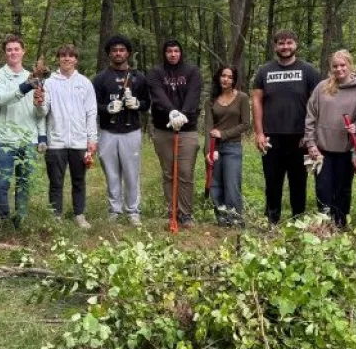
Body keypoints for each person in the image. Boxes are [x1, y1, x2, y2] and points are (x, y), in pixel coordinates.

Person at [252, 30, 322, 225]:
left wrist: (311, 135)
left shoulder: (308, 71)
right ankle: (272, 221)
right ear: (275, 46)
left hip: (299, 137)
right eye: (281, 43)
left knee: (298, 182)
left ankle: (297, 221)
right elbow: (256, 101)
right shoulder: (264, 71)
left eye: (289, 43)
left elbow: (317, 103)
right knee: (272, 181)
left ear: (296, 44)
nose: (285, 47)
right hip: (271, 136)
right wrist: (259, 133)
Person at [0, 35, 46, 227]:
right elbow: (0, 99)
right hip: (3, 138)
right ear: (5, 53)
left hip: (28, 138)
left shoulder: (34, 77)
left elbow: (40, 112)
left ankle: (20, 218)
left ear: (23, 51)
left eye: (16, 49)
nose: (13, 52)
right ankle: (2, 217)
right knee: (0, 182)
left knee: (24, 181)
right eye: (9, 49)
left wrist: (40, 106)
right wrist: (24, 87)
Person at [304, 49, 356, 228]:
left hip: (346, 150)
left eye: (342, 65)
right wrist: (311, 143)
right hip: (322, 149)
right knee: (323, 189)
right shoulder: (322, 87)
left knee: (342, 190)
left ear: (350, 65)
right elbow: (310, 116)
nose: (339, 69)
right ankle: (324, 226)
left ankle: (340, 224)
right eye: (335, 66)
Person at [92, 35, 150, 226]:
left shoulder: (138, 77)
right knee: (111, 173)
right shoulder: (100, 79)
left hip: (131, 131)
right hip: (108, 131)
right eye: (114, 50)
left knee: (131, 173)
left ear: (128, 53)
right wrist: (106, 108)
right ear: (109, 54)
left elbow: (147, 103)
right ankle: (114, 210)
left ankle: (133, 211)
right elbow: (92, 106)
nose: (118, 53)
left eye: (122, 50)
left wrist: (137, 104)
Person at [39, 44, 98, 229]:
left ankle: (79, 214)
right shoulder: (49, 82)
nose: (66, 58)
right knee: (56, 182)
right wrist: (38, 102)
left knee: (79, 181)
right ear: (58, 59)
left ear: (76, 60)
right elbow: (43, 111)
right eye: (63, 55)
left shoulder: (85, 83)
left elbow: (91, 112)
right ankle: (55, 216)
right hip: (56, 141)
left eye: (71, 55)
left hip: (79, 142)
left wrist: (92, 139)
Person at [147, 38, 202, 228]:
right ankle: (172, 211)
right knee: (169, 173)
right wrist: (171, 111)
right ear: (164, 53)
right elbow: (158, 94)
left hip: (187, 130)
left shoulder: (192, 71)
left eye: (176, 51)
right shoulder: (155, 72)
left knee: (185, 172)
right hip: (163, 129)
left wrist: (183, 114)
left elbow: (193, 94)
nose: (173, 54)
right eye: (169, 51)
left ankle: (185, 213)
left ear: (181, 52)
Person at [204, 65, 250, 227]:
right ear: (218, 77)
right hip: (215, 147)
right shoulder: (211, 101)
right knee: (215, 184)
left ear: (234, 80)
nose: (226, 79)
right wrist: (208, 152)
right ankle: (222, 219)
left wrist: (223, 134)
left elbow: (246, 124)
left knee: (232, 184)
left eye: (230, 77)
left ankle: (235, 219)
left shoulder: (242, 98)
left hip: (233, 147)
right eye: (223, 76)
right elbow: (208, 128)